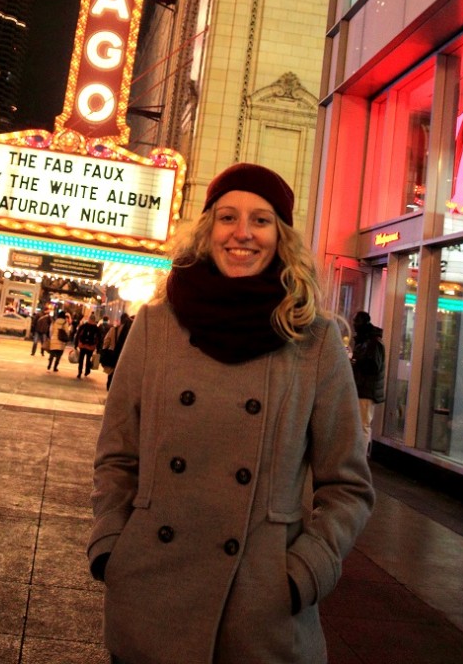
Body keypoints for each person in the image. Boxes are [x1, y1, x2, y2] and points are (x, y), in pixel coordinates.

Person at [87, 163, 374, 664]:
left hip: (258, 612)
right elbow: (117, 456)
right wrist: (112, 543)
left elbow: (348, 485)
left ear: (280, 237)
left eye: (261, 220)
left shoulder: (314, 340)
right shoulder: (156, 325)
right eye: (227, 217)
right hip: (150, 598)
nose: (242, 233)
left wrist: (305, 572)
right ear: (208, 230)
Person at [351, 310, 386, 453]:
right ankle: (357, 454)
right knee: (360, 424)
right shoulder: (366, 341)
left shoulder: (372, 342)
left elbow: (373, 366)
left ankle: (361, 455)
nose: (354, 324)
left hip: (366, 389)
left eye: (356, 321)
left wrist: (356, 361)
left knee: (363, 424)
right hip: (362, 388)